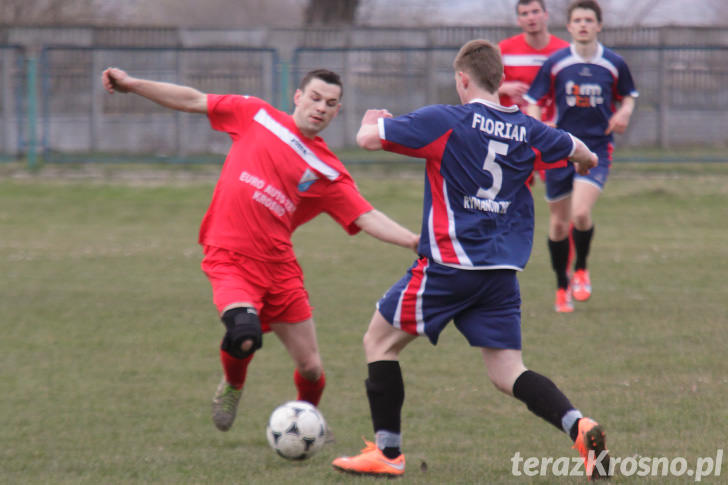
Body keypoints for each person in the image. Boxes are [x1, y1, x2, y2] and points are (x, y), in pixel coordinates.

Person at [331, 39, 610, 480]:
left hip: (449, 265)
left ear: (462, 79)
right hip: (500, 272)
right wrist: (585, 160)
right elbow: (578, 148)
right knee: (507, 372)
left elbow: (368, 140)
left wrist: (372, 121)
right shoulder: (529, 130)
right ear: (499, 80)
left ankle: (387, 454)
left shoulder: (447, 119)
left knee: (378, 342)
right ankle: (579, 425)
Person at [101, 67, 419, 432]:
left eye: (330, 104)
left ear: (337, 111)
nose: (320, 108)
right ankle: (233, 384)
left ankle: (304, 423)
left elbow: (365, 215)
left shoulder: (327, 170)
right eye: (315, 98)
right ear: (298, 97)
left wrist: (412, 240)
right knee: (243, 333)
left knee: (312, 369)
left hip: (279, 268)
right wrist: (132, 84)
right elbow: (192, 99)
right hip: (230, 257)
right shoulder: (257, 115)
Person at [524, 0, 638, 312]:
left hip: (597, 148)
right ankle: (562, 286)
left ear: (599, 25)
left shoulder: (614, 63)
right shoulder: (557, 62)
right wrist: (537, 124)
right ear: (570, 27)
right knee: (559, 226)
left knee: (581, 215)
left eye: (589, 19)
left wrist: (625, 112)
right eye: (578, 20)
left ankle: (582, 270)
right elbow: (534, 98)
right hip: (563, 149)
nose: (584, 25)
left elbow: (629, 94)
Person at [499, 0, 569, 186]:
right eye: (525, 14)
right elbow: (481, 84)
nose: (531, 17)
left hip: (552, 128)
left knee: (562, 190)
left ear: (545, 15)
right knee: (516, 192)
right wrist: (504, 88)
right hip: (514, 131)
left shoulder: (563, 51)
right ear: (518, 20)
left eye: (535, 12)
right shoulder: (504, 50)